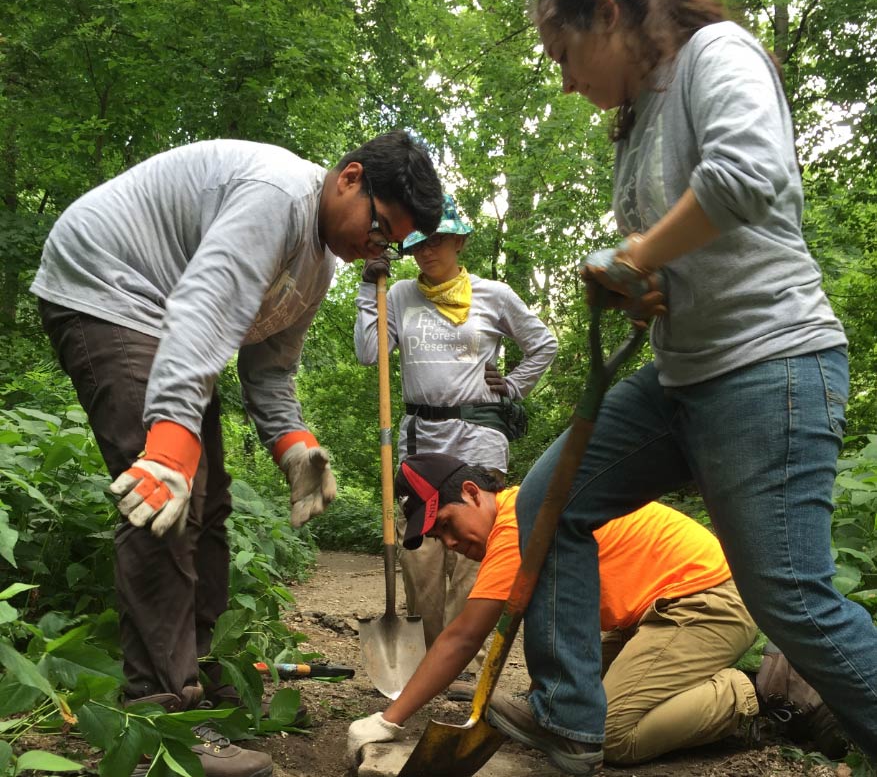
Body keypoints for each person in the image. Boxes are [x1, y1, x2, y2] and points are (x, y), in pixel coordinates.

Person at [484, 0, 877, 773]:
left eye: (561, 56)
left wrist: (637, 256)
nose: (561, 82)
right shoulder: (636, 118)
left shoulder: (717, 55)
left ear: (608, 14)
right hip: (679, 375)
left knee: (792, 601)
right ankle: (570, 718)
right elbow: (678, 247)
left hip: (768, 363)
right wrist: (646, 283)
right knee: (549, 504)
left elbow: (747, 176)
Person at [30, 132, 443, 777]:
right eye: (380, 224)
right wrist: (167, 445)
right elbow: (202, 311)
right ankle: (160, 724)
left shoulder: (317, 265)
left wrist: (295, 446)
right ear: (350, 178)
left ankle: (195, 685)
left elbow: (270, 372)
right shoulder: (276, 198)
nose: (378, 246)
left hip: (163, 314)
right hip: (110, 284)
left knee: (209, 503)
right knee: (166, 499)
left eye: (391, 241)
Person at [347, 453, 761, 769]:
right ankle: (677, 683)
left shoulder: (519, 523)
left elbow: (463, 637)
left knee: (605, 736)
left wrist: (389, 720)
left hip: (706, 602)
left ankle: (743, 696)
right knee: (571, 713)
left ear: (474, 492)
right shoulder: (522, 513)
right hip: (653, 616)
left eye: (449, 525)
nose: (450, 543)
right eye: (439, 537)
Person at [353, 195, 557, 686]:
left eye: (438, 240)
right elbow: (367, 353)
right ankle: (429, 658)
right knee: (420, 554)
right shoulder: (399, 294)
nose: (426, 250)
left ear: (460, 241)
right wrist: (367, 290)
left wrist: (511, 387)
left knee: (472, 555)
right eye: (418, 241)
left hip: (478, 440)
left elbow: (544, 343)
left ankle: (467, 661)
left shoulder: (495, 295)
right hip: (421, 442)